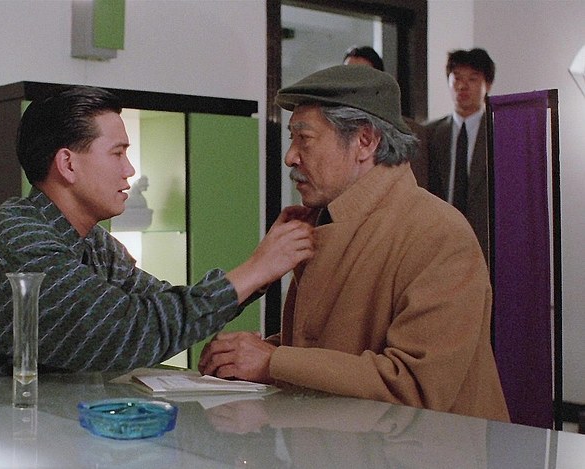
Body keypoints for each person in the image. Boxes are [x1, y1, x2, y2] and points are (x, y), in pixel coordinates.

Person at [0, 85, 315, 383]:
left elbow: (162, 305)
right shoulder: (21, 242)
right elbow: (129, 333)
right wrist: (256, 269)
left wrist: (261, 268)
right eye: (118, 153)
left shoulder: (94, 242)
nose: (130, 170)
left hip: (23, 423)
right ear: (68, 164)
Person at [198, 65, 509, 422]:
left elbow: (414, 385)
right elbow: (335, 344)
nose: (291, 157)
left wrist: (272, 361)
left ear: (365, 141)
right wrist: (244, 355)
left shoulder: (439, 233)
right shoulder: (325, 219)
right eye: (291, 138)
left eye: (305, 138)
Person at [425, 48, 495, 261]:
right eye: (457, 78)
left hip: (486, 245)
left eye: (472, 79)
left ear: (487, 85)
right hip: (438, 245)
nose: (463, 86)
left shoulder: (499, 133)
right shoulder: (429, 134)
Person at [343, 45, 429, 189]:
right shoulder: (330, 128)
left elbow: (418, 189)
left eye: (362, 75)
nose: (353, 83)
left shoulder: (408, 131)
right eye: (348, 75)